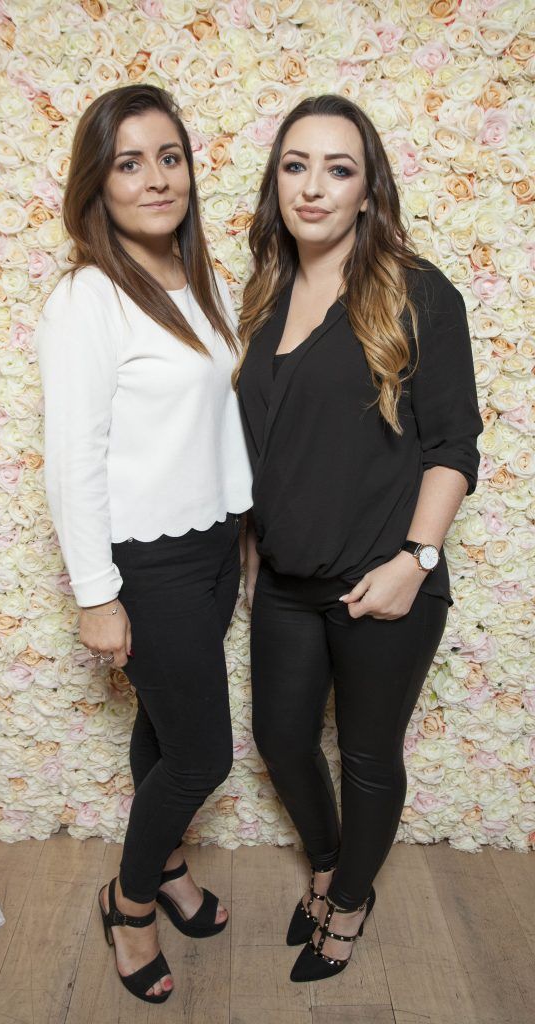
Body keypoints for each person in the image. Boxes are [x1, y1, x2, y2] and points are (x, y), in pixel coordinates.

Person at [236, 94, 482, 983]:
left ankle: (348, 901)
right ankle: (337, 860)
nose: (313, 187)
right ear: (277, 181)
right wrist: (256, 548)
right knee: (281, 738)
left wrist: (416, 562)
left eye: (338, 169)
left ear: (368, 190)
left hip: (388, 576)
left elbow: (454, 444)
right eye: (296, 165)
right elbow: (274, 441)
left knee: (370, 756)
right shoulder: (264, 295)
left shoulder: (420, 292)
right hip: (291, 580)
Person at [36, 85, 252, 1003]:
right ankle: (127, 905)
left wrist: (240, 529)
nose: (157, 178)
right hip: (146, 559)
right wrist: (95, 592)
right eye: (129, 162)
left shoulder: (198, 279)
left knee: (163, 730)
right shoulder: (87, 297)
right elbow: (70, 454)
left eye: (170, 156)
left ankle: (163, 865)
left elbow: (217, 421)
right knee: (205, 756)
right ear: (100, 183)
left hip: (211, 545)